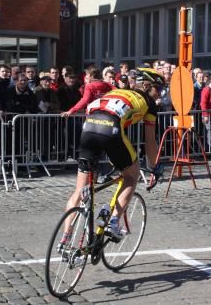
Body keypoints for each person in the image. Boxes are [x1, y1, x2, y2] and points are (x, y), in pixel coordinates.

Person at [61, 69, 164, 243]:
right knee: (132, 176)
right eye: (158, 89)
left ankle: (65, 240)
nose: (159, 93)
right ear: (147, 85)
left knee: (80, 190)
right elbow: (150, 142)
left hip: (89, 128)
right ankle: (113, 222)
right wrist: (154, 167)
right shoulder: (148, 102)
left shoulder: (114, 91)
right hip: (111, 129)